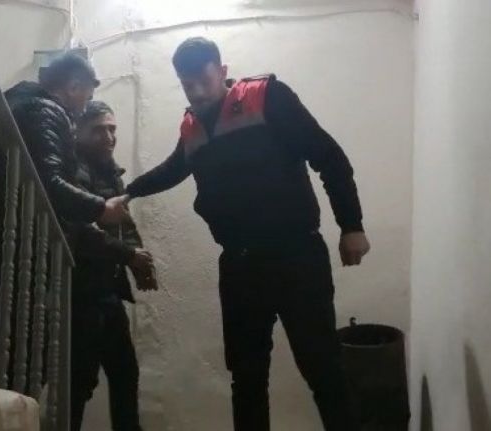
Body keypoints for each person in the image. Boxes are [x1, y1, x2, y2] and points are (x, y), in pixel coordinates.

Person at [121, 37, 371, 430]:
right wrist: (127, 193)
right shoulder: (193, 126)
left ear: (222, 71)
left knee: (322, 367)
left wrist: (351, 226)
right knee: (247, 377)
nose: (196, 92)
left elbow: (329, 157)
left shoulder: (267, 97)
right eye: (187, 85)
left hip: (296, 255)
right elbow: (174, 168)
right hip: (240, 265)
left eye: (203, 81)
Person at [0, 53, 128, 388]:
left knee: (13, 358)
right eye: (86, 97)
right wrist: (101, 209)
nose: (84, 107)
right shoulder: (44, 110)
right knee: (22, 363)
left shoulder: (20, 106)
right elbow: (50, 183)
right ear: (74, 86)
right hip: (14, 252)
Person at [71, 101, 157, 431]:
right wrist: (129, 256)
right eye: (99, 130)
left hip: (106, 290)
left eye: (112, 129)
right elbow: (82, 232)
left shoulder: (109, 170)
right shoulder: (74, 171)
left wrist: (137, 259)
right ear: (78, 132)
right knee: (80, 380)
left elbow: (124, 222)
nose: (109, 137)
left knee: (125, 373)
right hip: (80, 292)